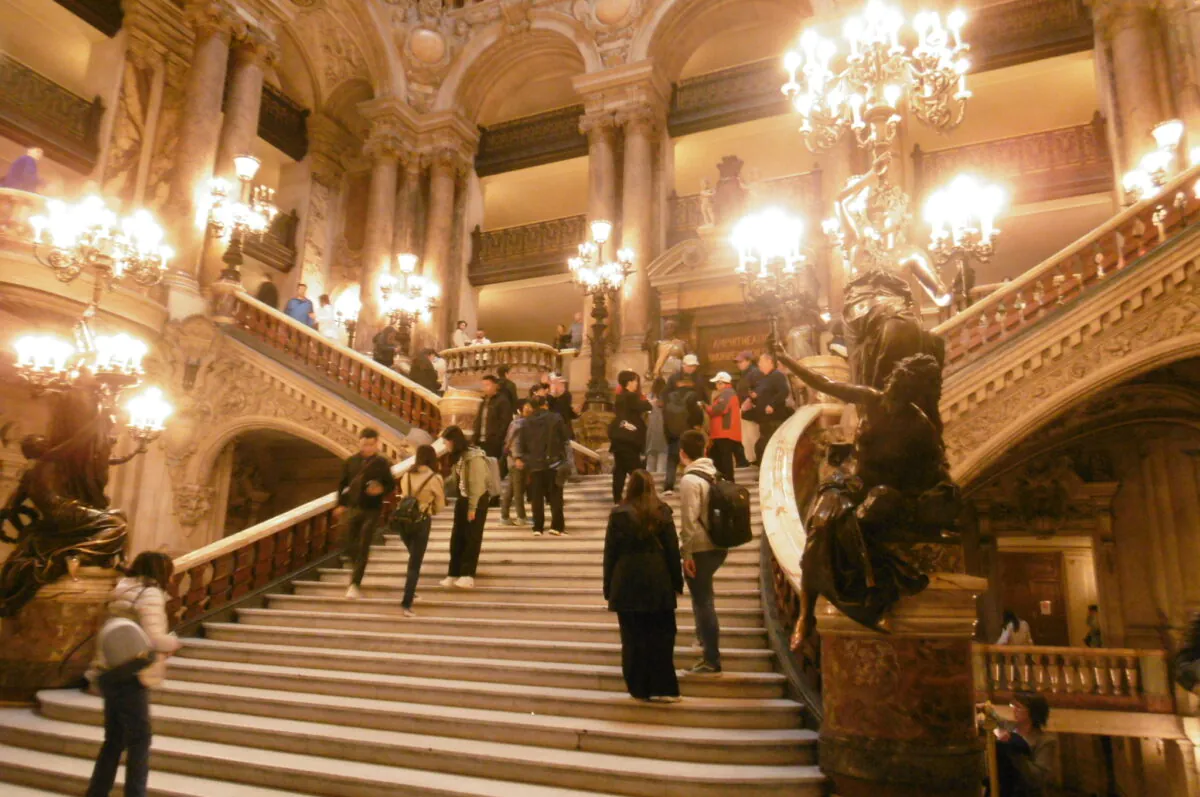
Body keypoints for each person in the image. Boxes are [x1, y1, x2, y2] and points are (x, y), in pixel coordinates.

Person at [85, 551, 182, 797]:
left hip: (110, 670)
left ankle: (97, 792)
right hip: (132, 673)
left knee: (114, 740)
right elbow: (153, 638)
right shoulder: (150, 594)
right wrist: (173, 643)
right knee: (140, 740)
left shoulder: (120, 590)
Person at [603, 469, 684, 703]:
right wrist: (676, 582)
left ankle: (638, 686)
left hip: (626, 578)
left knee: (632, 637)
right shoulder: (662, 511)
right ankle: (665, 686)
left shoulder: (618, 514)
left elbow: (610, 553)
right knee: (662, 634)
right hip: (657, 578)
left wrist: (608, 587)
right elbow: (671, 550)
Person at [678, 429, 725, 675]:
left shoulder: (689, 481)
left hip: (700, 547)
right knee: (705, 598)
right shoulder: (714, 473)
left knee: (703, 601)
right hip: (719, 545)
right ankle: (703, 640)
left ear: (682, 453)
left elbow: (689, 521)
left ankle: (711, 658)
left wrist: (686, 554)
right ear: (705, 450)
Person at [335, 428, 395, 599]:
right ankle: (357, 566)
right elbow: (342, 484)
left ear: (376, 444)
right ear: (360, 443)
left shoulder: (382, 463)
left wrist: (381, 489)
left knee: (363, 542)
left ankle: (355, 583)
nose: (367, 448)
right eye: (364, 444)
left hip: (372, 509)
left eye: (370, 444)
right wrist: (340, 504)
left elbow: (390, 484)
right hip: (353, 507)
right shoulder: (351, 462)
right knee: (347, 542)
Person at [440, 426, 492, 588]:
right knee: (457, 537)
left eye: (446, 442)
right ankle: (453, 572)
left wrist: (472, 508)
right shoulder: (458, 457)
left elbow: (476, 485)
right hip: (462, 499)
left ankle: (467, 574)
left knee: (471, 537)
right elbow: (455, 480)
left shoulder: (473, 457)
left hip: (476, 500)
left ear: (454, 441)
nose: (445, 446)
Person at [397, 444, 446, 617]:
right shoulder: (435, 478)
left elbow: (404, 496)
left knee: (413, 557)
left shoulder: (406, 475)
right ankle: (406, 603)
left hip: (403, 522)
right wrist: (428, 508)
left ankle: (412, 591)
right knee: (415, 564)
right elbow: (440, 506)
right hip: (421, 522)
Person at [519, 395, 569, 536]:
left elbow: (523, 444)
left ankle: (537, 527)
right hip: (554, 462)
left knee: (537, 497)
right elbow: (565, 437)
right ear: (545, 404)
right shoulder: (556, 418)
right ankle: (556, 526)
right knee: (555, 496)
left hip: (534, 464)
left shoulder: (526, 421)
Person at [991, 693, 1058, 796]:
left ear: (1033, 712)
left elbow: (1037, 778)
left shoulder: (1045, 741)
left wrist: (1014, 751)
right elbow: (994, 718)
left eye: (1019, 707)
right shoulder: (1008, 726)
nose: (1014, 710)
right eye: (1013, 706)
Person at [661, 354, 706, 496]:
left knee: (672, 458)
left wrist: (667, 432)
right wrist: (697, 425)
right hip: (688, 429)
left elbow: (665, 410)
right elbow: (698, 409)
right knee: (694, 456)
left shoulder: (669, 397)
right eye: (691, 366)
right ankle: (696, 483)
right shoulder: (692, 394)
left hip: (673, 430)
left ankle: (668, 486)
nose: (692, 368)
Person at [611, 370, 652, 504]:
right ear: (629, 382)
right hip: (629, 440)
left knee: (620, 470)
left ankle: (617, 498)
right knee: (637, 471)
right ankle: (642, 497)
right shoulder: (631, 396)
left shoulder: (619, 397)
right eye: (635, 381)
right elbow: (645, 406)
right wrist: (647, 400)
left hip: (619, 440)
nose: (636, 384)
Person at [751, 352, 794, 463]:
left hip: (774, 420)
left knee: (768, 446)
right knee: (761, 446)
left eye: (761, 362)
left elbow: (784, 391)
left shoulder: (777, 375)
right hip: (764, 420)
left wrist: (772, 405)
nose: (759, 365)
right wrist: (754, 398)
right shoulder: (765, 378)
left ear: (769, 361)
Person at [473, 374, 514, 477]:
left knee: (493, 472)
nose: (485, 388)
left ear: (495, 385)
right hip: (481, 441)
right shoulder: (484, 402)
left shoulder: (502, 401)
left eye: (488, 385)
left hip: (494, 442)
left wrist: (498, 438)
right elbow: (479, 420)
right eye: (483, 385)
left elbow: (505, 422)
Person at [706, 371, 743, 482]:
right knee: (717, 456)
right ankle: (724, 479)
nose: (716, 386)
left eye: (717, 383)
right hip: (722, 433)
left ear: (722, 383)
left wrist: (706, 408)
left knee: (724, 458)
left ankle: (728, 480)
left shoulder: (727, 394)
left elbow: (719, 410)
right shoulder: (728, 394)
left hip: (724, 432)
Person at [502, 399, 532, 526]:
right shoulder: (520, 423)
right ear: (520, 409)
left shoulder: (518, 422)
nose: (530, 409)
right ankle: (521, 517)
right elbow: (516, 443)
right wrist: (518, 458)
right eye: (527, 407)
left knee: (511, 489)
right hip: (518, 460)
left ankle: (504, 516)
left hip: (515, 460)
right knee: (518, 489)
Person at [734, 351, 762, 466]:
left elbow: (758, 389)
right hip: (745, 411)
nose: (738, 364)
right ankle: (753, 461)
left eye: (741, 361)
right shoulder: (745, 374)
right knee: (748, 439)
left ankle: (756, 462)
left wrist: (750, 400)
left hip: (752, 412)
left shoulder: (754, 373)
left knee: (753, 438)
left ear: (749, 361)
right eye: (737, 362)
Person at [645, 377, 668, 476]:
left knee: (650, 461)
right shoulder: (668, 398)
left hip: (651, 430)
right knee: (662, 463)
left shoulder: (649, 398)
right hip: (664, 430)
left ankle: (648, 484)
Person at [548, 375, 578, 440]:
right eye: (555, 383)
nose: (560, 386)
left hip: (565, 427)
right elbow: (548, 407)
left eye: (562, 384)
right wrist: (553, 393)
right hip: (552, 428)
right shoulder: (549, 396)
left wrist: (575, 413)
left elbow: (567, 411)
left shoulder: (567, 395)